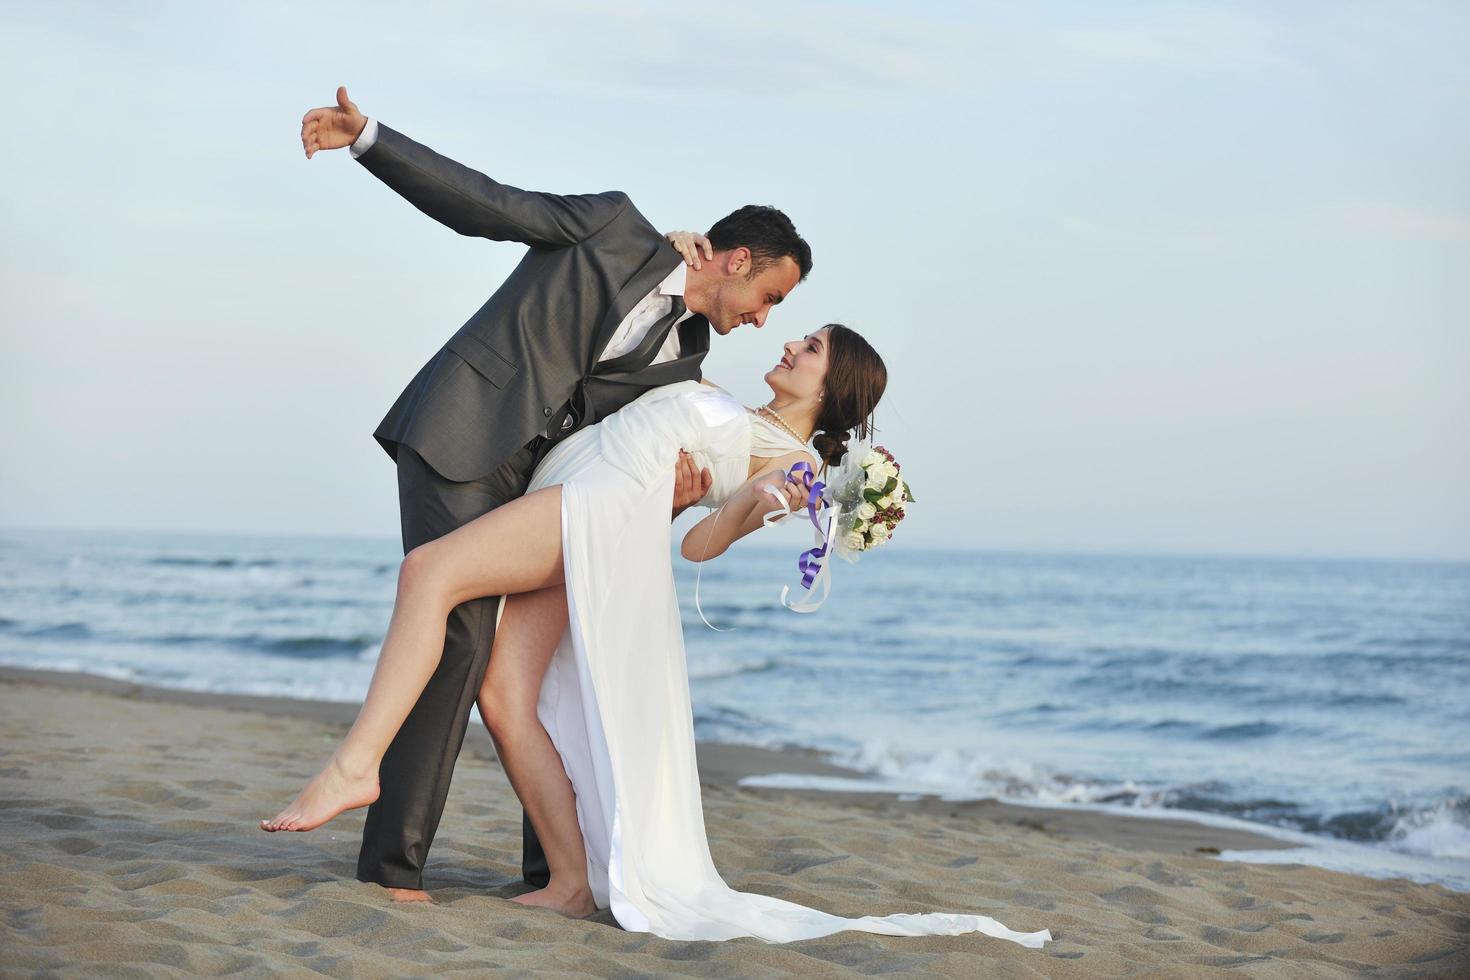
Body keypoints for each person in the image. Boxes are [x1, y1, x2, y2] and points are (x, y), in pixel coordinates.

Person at [261, 324, 1053, 949]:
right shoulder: (736, 409)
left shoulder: (793, 464)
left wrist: (760, 504)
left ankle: (354, 764)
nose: (790, 345)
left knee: (427, 574)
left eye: (809, 348)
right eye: (800, 336)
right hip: (580, 494)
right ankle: (570, 882)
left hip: (599, 508)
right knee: (504, 696)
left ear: (833, 384)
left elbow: (700, 546)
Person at [296, 87, 811, 903]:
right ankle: (392, 867)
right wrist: (371, 143)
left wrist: (681, 492)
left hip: (540, 485)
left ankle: (557, 874)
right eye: (771, 297)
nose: (764, 319)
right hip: (460, 434)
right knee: (462, 642)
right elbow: (488, 205)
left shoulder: (687, 357)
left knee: (541, 668)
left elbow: (641, 449)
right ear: (737, 259)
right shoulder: (615, 227)